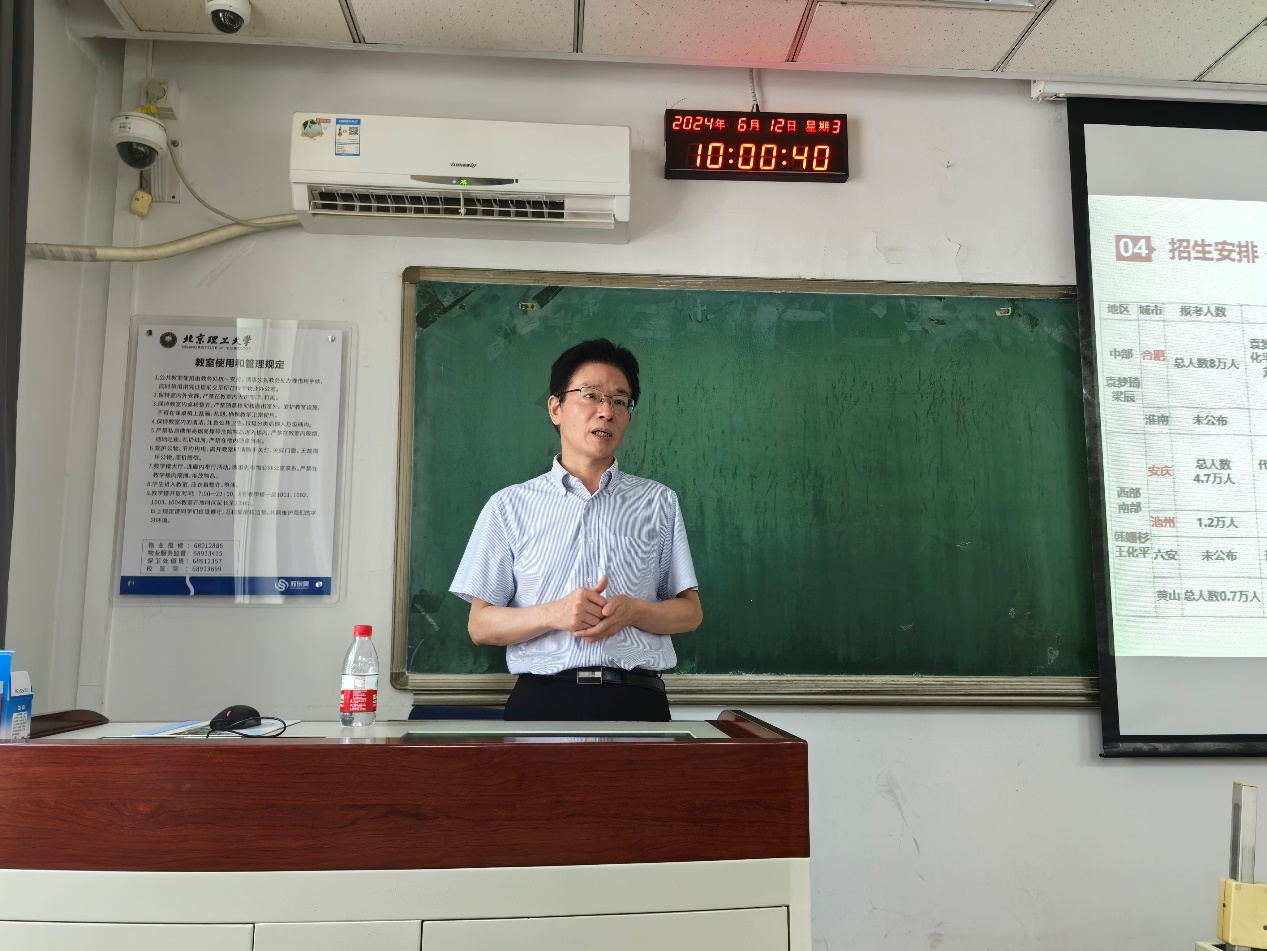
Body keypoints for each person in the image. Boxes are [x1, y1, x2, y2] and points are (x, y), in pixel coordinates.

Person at [450, 338, 702, 721]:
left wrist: (634, 611)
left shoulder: (658, 501)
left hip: (636, 700)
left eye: (621, 401)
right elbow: (480, 625)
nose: (607, 412)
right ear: (556, 408)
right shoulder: (509, 506)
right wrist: (554, 614)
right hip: (544, 700)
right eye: (591, 396)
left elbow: (689, 613)